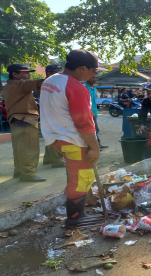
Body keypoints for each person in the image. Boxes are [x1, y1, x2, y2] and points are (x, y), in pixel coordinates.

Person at [40, 49, 99, 228]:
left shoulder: (50, 80)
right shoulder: (76, 87)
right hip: (72, 139)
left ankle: (77, 211)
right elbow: (83, 122)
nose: (93, 74)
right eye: (93, 70)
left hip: (55, 138)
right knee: (83, 178)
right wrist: (94, 147)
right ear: (81, 68)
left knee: (74, 175)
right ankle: (75, 217)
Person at [1, 64, 45, 182]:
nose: (28, 74)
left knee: (19, 148)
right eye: (24, 72)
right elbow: (39, 83)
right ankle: (28, 174)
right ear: (15, 74)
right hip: (26, 119)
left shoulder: (7, 86)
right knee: (30, 147)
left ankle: (19, 171)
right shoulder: (21, 84)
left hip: (15, 119)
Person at [42, 64, 65, 168]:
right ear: (49, 72)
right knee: (55, 136)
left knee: (50, 136)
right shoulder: (49, 83)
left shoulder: (46, 83)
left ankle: (47, 158)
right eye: (57, 71)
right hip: (52, 113)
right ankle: (56, 160)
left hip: (49, 113)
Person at [84, 75, 108, 149]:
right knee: (93, 130)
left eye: (95, 78)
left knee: (94, 130)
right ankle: (94, 146)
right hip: (88, 113)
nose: (95, 79)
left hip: (94, 112)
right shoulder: (84, 88)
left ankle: (97, 145)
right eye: (93, 77)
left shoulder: (93, 88)